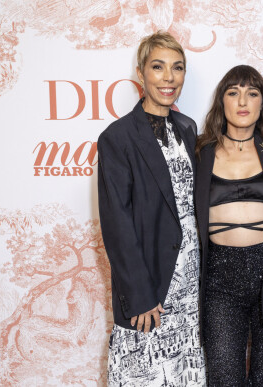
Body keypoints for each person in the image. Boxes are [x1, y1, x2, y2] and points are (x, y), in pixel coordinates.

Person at [97, 31, 205, 386]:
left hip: (190, 284)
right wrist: (139, 295)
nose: (168, 77)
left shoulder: (188, 129)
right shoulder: (118, 137)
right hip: (151, 288)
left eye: (177, 68)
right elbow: (117, 223)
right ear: (141, 74)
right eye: (158, 67)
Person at [194, 65, 263, 386]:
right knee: (224, 380)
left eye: (252, 93)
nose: (243, 101)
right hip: (219, 284)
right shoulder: (199, 152)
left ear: (262, 104)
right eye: (233, 92)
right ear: (221, 102)